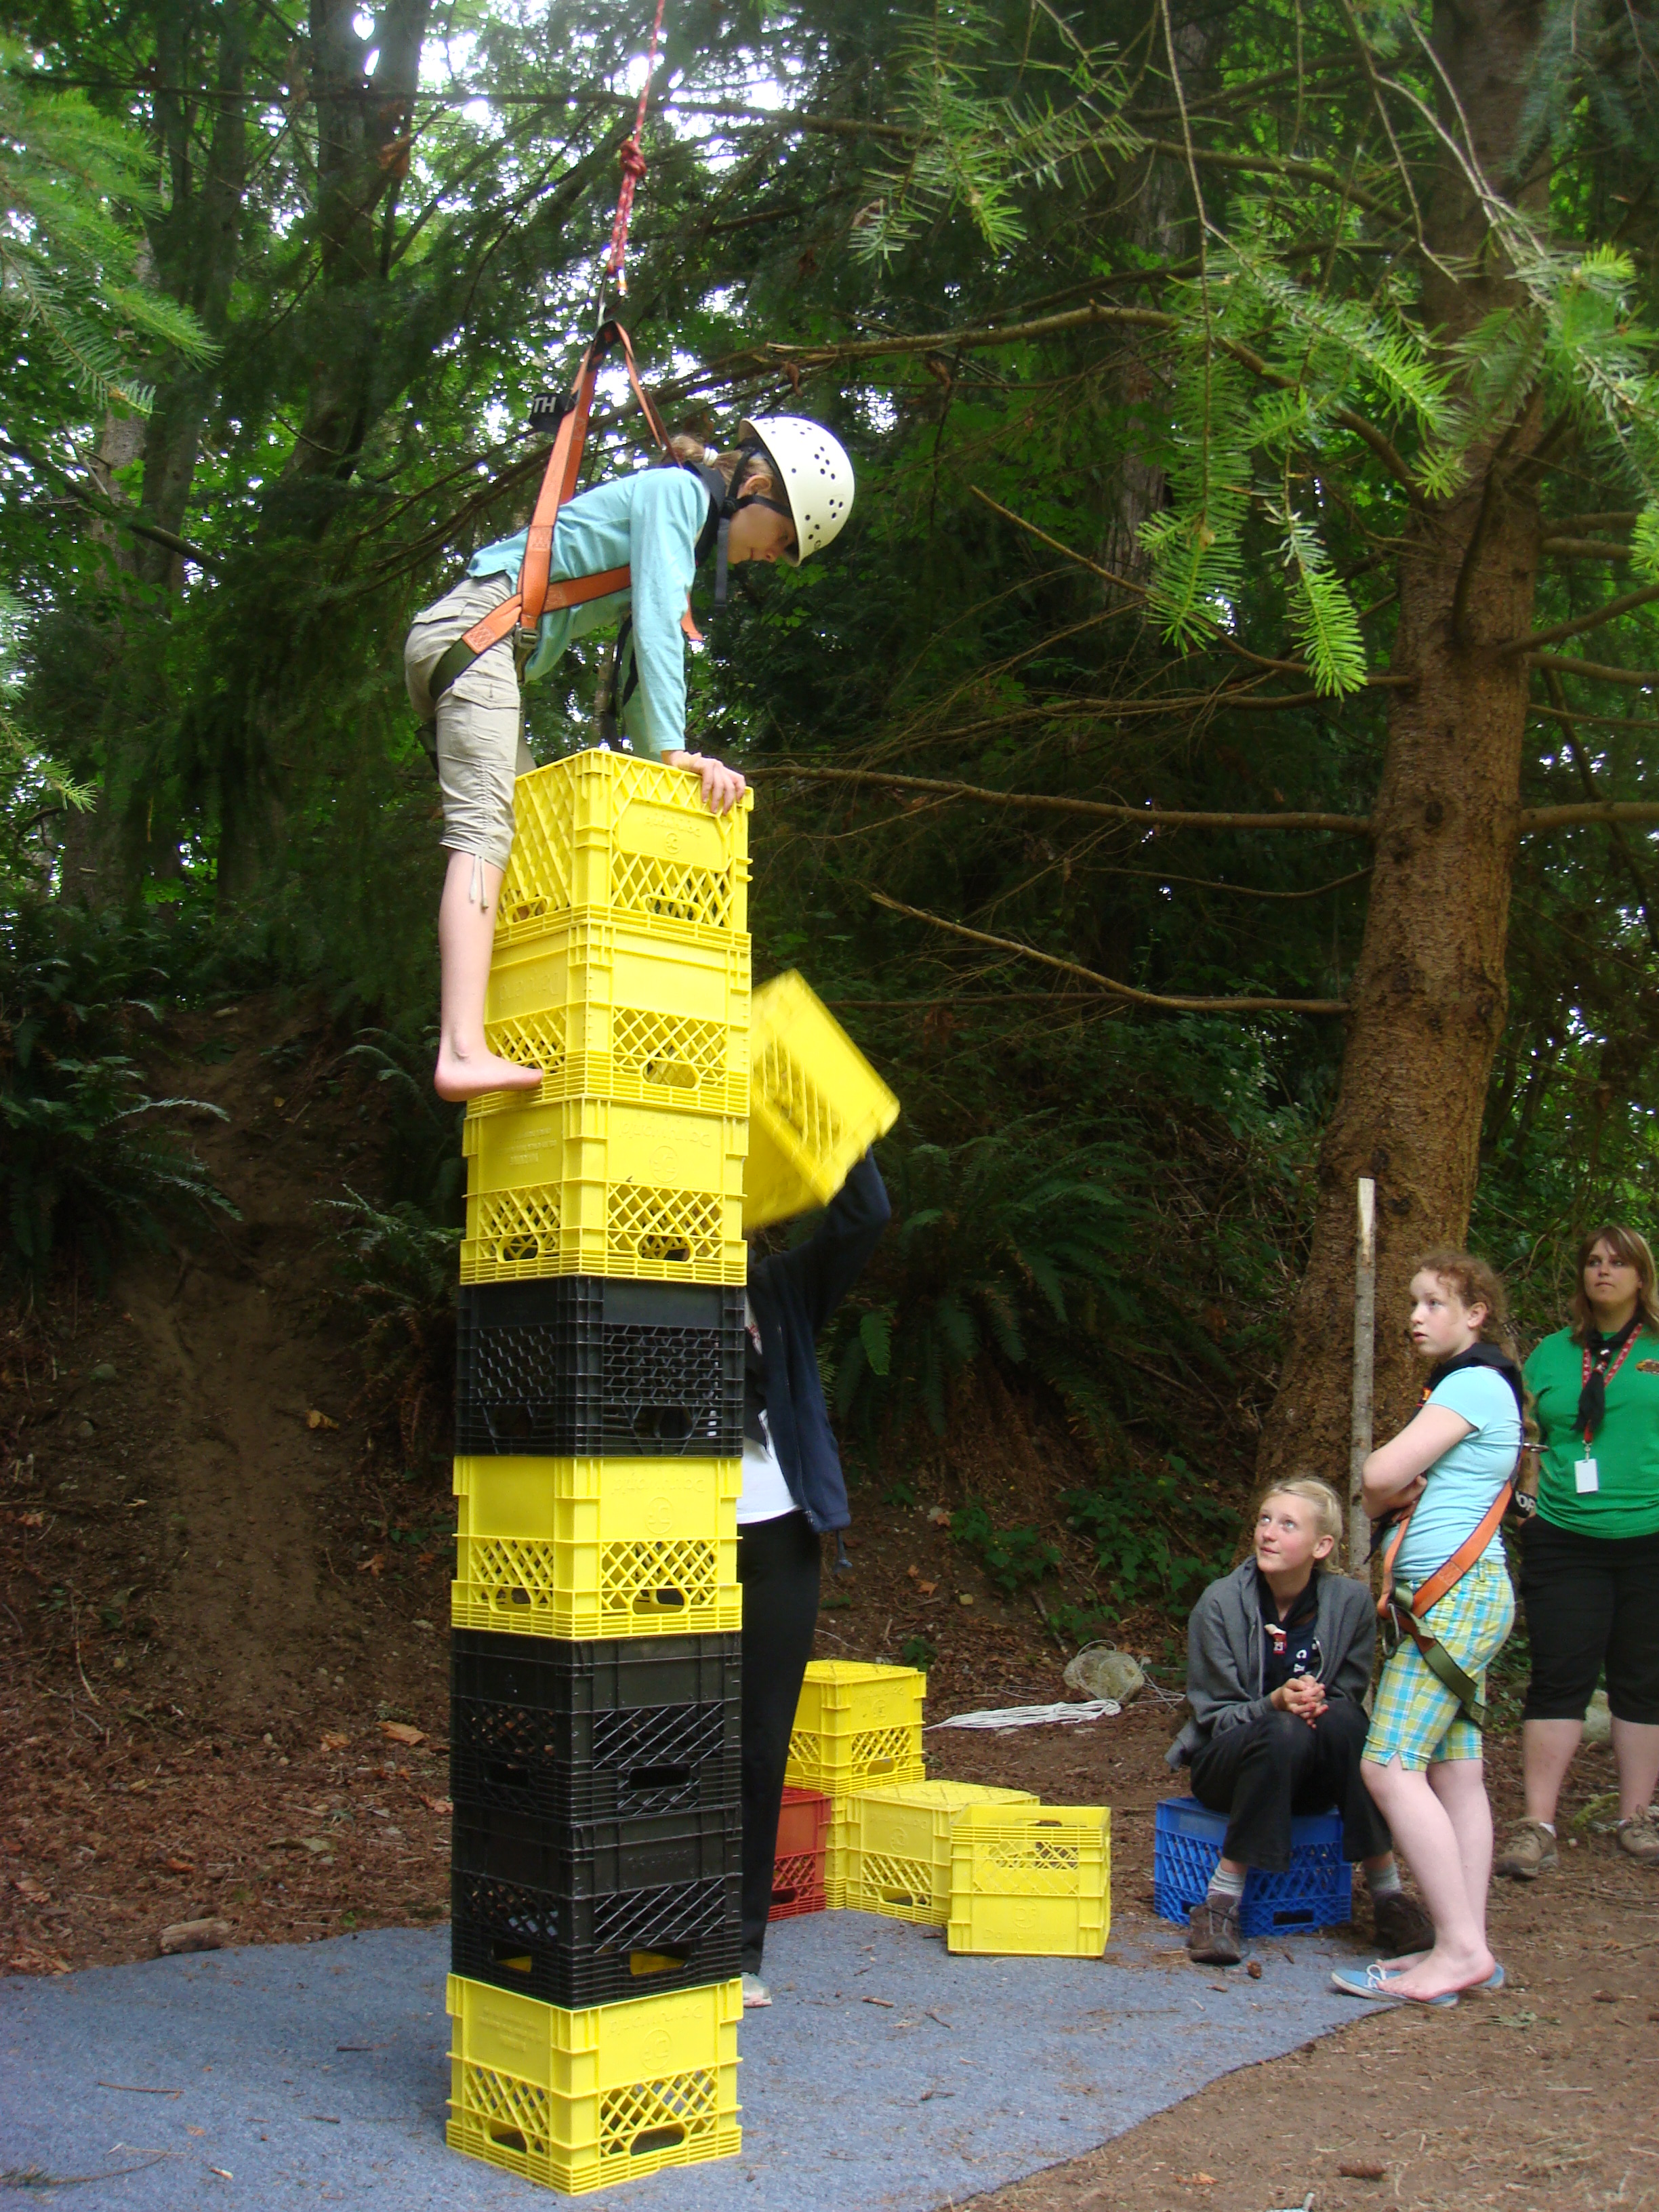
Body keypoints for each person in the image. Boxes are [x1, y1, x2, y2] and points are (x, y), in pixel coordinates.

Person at [404, 417, 855, 1101]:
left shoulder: (678, 519)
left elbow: (643, 666)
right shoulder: (680, 496)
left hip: (476, 646)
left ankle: (515, 1041)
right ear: (757, 487)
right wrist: (675, 752)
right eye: (784, 538)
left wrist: (671, 764)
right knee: (486, 834)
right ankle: (462, 1050)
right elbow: (659, 622)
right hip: (475, 638)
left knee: (529, 852)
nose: (774, 556)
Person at [1332, 1250, 1521, 2007]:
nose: (1415, 1316)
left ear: (1475, 1314)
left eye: (1434, 1303)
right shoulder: (1477, 1385)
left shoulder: (1471, 1382)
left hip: (1454, 1599)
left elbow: (1378, 1478)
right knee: (1454, 1770)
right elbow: (1385, 1493)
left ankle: (1460, 1949)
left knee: (1388, 1766)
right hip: (1462, 1597)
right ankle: (1466, 1945)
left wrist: (1385, 1490)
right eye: (1413, 1303)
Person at [737, 1149, 890, 2009]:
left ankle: (737, 1949)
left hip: (778, 1539)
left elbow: (865, 1216)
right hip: (667, 1539)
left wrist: (827, 1127)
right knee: (666, 1736)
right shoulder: (643, 1288)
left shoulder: (782, 1289)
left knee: (760, 1742)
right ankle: (654, 1928)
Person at [1170, 1477, 1429, 1966]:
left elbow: (1348, 1695)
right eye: (1265, 1520)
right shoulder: (1220, 1603)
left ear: (1321, 1546)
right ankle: (1221, 1902)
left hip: (1312, 1766)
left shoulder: (1350, 1603)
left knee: (1347, 1721)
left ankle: (1389, 1897)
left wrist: (1314, 1700)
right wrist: (1274, 1704)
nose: (1268, 1533)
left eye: (1288, 1525)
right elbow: (1214, 1718)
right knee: (1283, 1729)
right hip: (1228, 1767)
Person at [1497, 1225, 1659, 1879]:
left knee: (1642, 1680)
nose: (1603, 1271)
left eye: (1618, 1262)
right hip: (1564, 1537)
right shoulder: (1552, 1353)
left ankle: (1637, 1817)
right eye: (1593, 1261)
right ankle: (1537, 1825)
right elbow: (1525, 1432)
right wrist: (1527, 1501)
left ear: (1642, 1276)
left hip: (1650, 1537)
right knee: (1559, 1676)